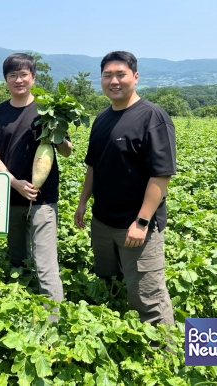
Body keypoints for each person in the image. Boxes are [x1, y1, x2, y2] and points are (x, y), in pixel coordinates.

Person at [74, 50, 176, 327]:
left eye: (121, 74)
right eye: (108, 75)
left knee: (148, 297)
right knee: (108, 280)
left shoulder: (152, 117)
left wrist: (142, 222)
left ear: (135, 77)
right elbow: (93, 166)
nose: (114, 81)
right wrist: (83, 203)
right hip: (103, 221)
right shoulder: (102, 118)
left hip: (136, 225)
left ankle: (167, 360)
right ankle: (121, 338)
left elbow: (161, 175)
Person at [0, 53, 72, 303]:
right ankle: (19, 305)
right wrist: (14, 183)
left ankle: (55, 319)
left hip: (43, 199)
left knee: (45, 264)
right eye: (13, 75)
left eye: (23, 74)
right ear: (6, 80)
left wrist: (58, 132)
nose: (18, 80)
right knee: (16, 257)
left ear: (33, 77)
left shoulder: (48, 110)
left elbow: (65, 151)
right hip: (11, 196)